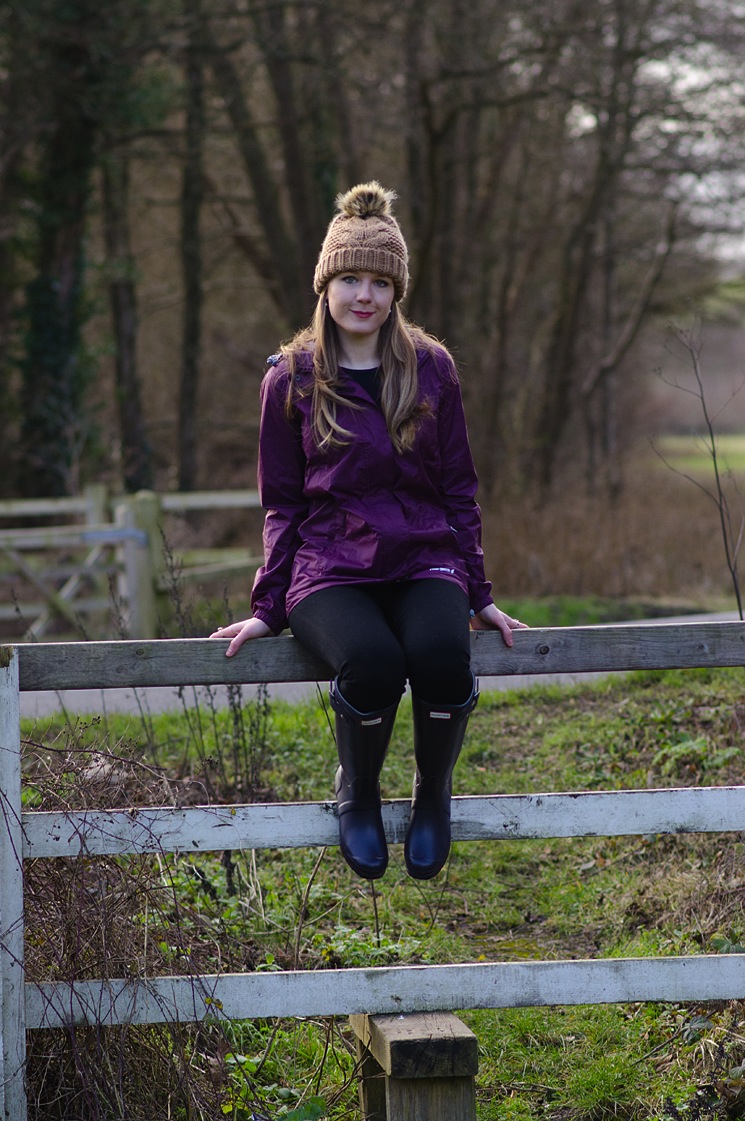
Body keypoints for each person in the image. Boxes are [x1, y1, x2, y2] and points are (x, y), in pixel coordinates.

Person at [210, 181, 527, 881]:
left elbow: (457, 489)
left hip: (423, 557)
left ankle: (433, 793)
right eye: (350, 277)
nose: (365, 295)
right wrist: (267, 607)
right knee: (374, 661)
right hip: (329, 567)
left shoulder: (431, 369)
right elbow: (282, 504)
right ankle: (355, 794)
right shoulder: (290, 379)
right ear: (325, 284)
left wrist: (477, 591)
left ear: (396, 290)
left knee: (443, 655)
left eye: (380, 281)